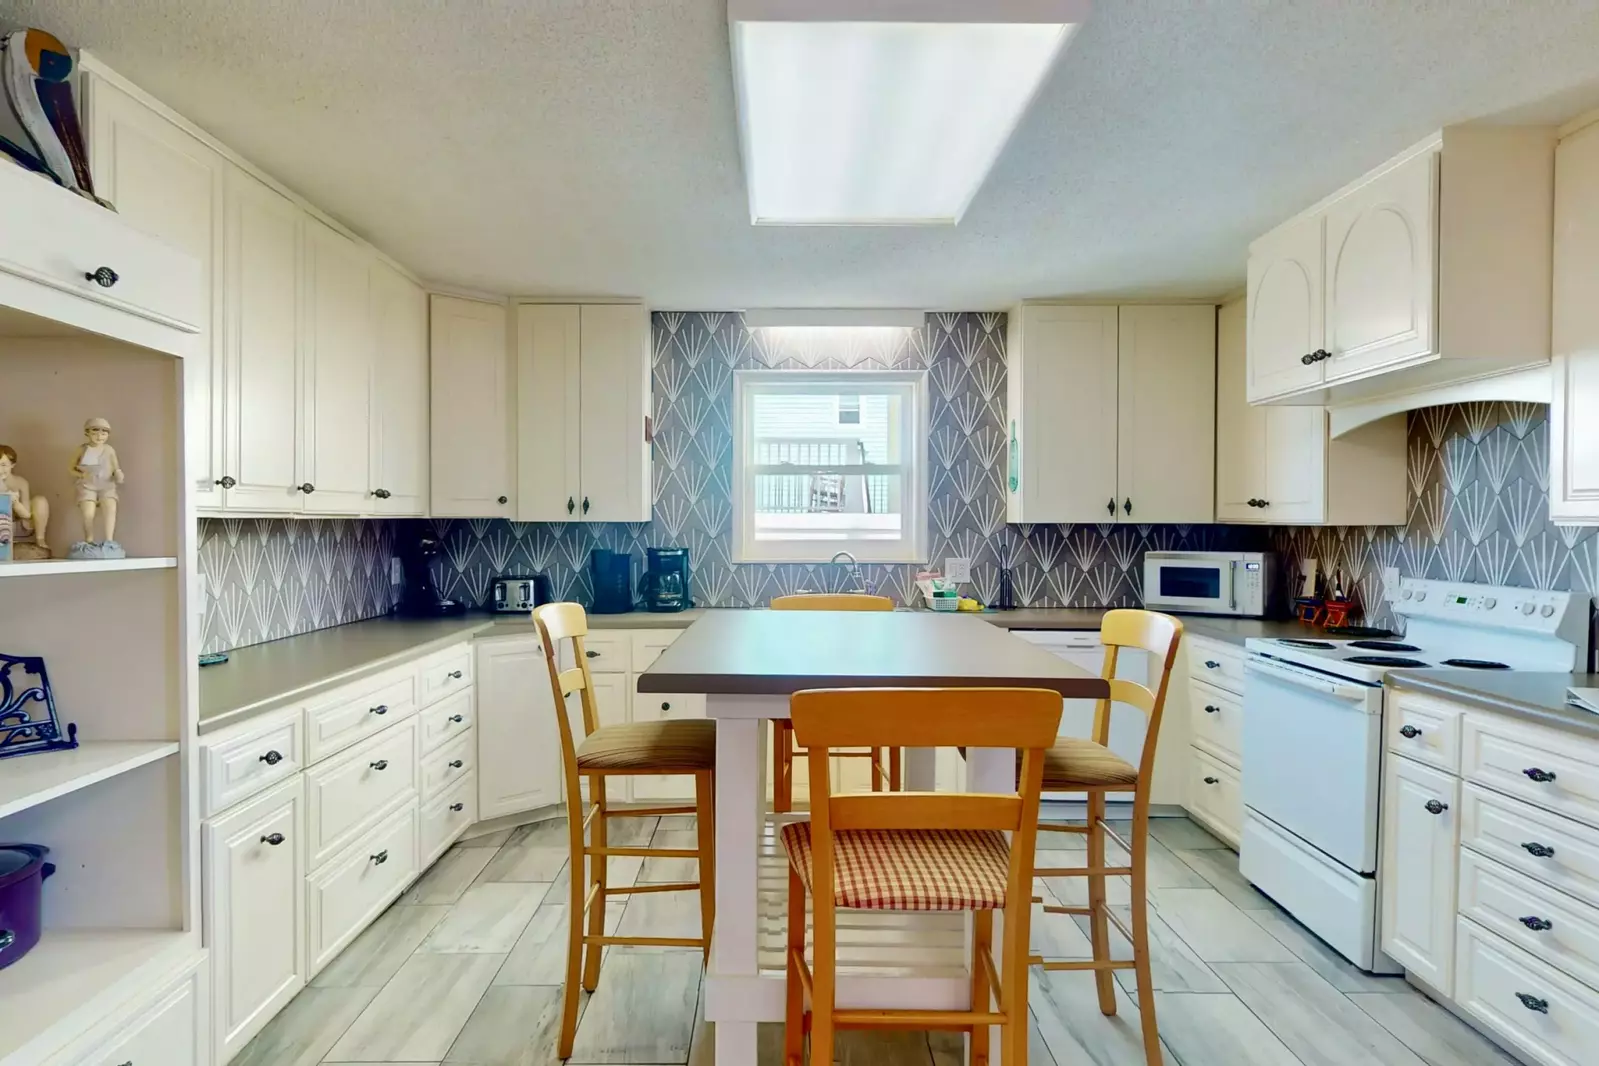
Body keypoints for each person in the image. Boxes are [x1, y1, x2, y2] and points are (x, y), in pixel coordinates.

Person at [70, 417, 123, 545]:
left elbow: (116, 467)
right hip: (87, 485)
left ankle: (109, 540)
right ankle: (89, 539)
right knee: (88, 512)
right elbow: (71, 468)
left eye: (104, 433)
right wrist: (81, 475)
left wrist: (118, 474)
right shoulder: (82, 449)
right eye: (95, 432)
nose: (100, 436)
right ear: (87, 433)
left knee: (110, 508)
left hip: (107, 485)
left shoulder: (109, 450)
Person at [0, 443, 51, 555]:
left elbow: (26, 515)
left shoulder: (20, 482)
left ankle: (40, 540)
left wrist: (15, 503)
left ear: (12, 465)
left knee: (40, 501)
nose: (0, 470)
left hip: (18, 525)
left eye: (3, 465)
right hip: (2, 526)